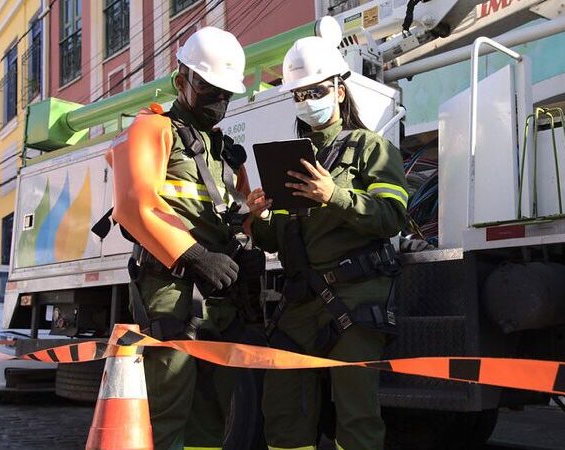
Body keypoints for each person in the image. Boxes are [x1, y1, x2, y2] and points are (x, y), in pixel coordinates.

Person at [247, 36, 408, 450]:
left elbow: (391, 218)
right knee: (282, 415)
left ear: (339, 90)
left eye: (316, 91)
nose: (307, 101)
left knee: (357, 420)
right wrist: (254, 217)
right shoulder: (289, 160)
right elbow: (274, 240)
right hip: (299, 305)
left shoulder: (373, 148)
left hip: (355, 299)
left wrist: (332, 195)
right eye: (299, 95)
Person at [106, 27, 262, 450]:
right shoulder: (152, 128)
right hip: (172, 288)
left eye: (225, 94)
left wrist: (254, 216)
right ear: (181, 82)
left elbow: (234, 217)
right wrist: (193, 255)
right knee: (167, 406)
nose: (219, 102)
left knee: (211, 412)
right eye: (209, 90)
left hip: (219, 295)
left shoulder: (226, 152)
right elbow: (134, 203)